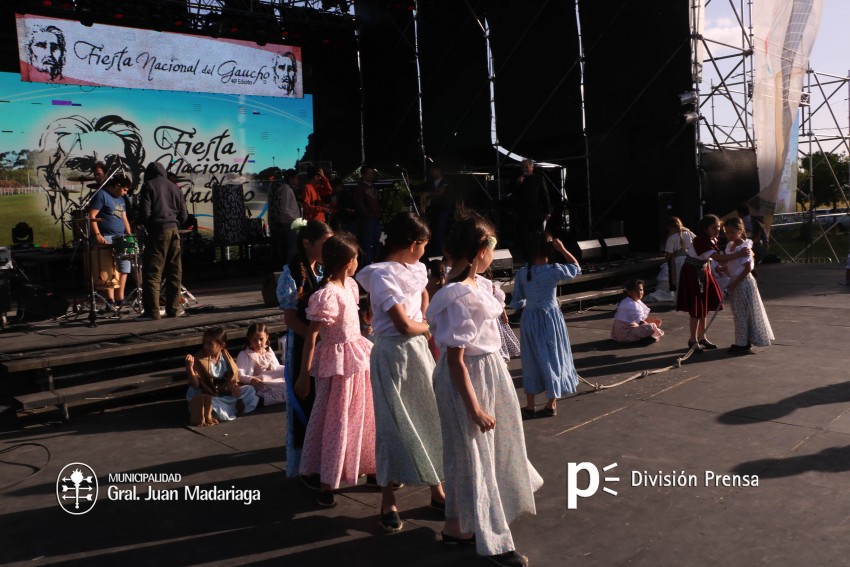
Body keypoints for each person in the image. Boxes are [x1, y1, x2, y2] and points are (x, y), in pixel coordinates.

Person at [426, 212, 541, 567]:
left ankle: (457, 527)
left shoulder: (477, 288)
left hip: (485, 373)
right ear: (480, 251)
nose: (494, 253)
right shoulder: (460, 296)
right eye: (491, 246)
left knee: (474, 455)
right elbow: (456, 360)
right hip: (471, 379)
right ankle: (494, 541)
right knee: (477, 457)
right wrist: (474, 407)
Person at [355, 212, 445, 533]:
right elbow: (403, 325)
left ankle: (436, 489)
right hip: (393, 353)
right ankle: (388, 500)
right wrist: (430, 325)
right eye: (424, 245)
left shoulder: (414, 268)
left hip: (418, 351)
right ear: (412, 244)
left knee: (429, 416)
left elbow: (422, 296)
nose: (425, 251)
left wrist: (425, 317)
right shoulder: (381, 275)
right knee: (392, 425)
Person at [295, 233, 376, 508]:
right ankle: (327, 482)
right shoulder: (328, 294)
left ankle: (369, 466)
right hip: (337, 366)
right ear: (348, 262)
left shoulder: (349, 286)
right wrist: (304, 374)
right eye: (356, 258)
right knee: (336, 421)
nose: (357, 263)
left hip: (356, 362)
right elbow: (312, 336)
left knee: (363, 416)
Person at [275, 218, 333, 481]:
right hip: (302, 344)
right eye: (325, 243)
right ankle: (307, 464)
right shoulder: (292, 273)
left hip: (322, 344)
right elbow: (290, 318)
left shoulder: (324, 269)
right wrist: (315, 337)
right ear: (307, 243)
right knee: (305, 400)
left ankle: (324, 459)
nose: (329, 249)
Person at [509, 232, 580, 419]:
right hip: (550, 318)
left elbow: (517, 300)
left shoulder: (523, 273)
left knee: (531, 359)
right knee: (552, 357)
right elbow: (576, 268)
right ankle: (551, 403)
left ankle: (530, 405)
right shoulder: (553, 270)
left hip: (530, 318)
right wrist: (562, 249)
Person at [676, 214, 751, 351]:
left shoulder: (711, 240)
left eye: (718, 227)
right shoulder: (700, 241)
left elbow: (711, 260)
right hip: (693, 274)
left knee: (704, 306)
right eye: (714, 227)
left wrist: (717, 269)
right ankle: (693, 340)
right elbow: (719, 258)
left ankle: (702, 337)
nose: (717, 230)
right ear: (706, 229)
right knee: (696, 308)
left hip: (703, 271)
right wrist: (739, 254)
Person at [137, 162, 188, 320]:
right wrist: (174, 223)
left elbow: (144, 213)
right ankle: (173, 309)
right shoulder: (175, 187)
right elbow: (184, 215)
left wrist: (147, 225)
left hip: (158, 231)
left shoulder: (148, 186)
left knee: (153, 272)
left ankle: (152, 311)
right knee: (174, 272)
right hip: (174, 231)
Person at [184, 327, 259, 424]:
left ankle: (225, 409)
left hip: (222, 393)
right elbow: (196, 385)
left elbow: (233, 376)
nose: (206, 346)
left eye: (210, 344)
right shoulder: (199, 359)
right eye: (204, 343)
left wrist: (235, 386)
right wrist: (189, 368)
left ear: (221, 345)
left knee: (250, 390)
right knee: (209, 402)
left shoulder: (225, 356)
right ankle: (225, 408)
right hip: (206, 393)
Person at [723, 217, 774, 353]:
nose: (729, 235)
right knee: (737, 312)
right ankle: (743, 341)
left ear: (740, 231)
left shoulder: (744, 247)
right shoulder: (730, 245)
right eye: (726, 232)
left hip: (743, 282)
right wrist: (723, 269)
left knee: (742, 313)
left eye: (732, 232)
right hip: (736, 281)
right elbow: (733, 264)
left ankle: (742, 343)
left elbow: (747, 268)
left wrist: (735, 282)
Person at [87, 174, 133, 306]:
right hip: (106, 236)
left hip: (121, 237)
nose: (125, 193)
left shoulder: (121, 199)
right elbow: (92, 215)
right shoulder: (101, 195)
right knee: (109, 269)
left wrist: (129, 235)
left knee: (125, 267)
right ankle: (110, 300)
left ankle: (120, 297)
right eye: (124, 190)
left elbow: (124, 218)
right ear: (117, 186)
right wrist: (97, 234)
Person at [236, 322, 286, 406]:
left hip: (272, 380)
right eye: (255, 340)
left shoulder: (269, 351)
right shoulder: (244, 354)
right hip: (259, 384)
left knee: (287, 378)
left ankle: (261, 399)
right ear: (250, 340)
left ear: (267, 337)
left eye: (261, 339)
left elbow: (276, 368)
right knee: (278, 385)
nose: (258, 343)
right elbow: (239, 374)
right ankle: (259, 399)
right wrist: (251, 379)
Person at [611, 279, 665, 343]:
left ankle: (650, 336)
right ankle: (649, 337)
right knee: (650, 327)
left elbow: (637, 319)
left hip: (620, 333)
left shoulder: (630, 301)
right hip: (625, 333)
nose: (640, 292)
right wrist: (652, 326)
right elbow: (641, 322)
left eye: (641, 290)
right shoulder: (630, 304)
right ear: (629, 292)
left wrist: (652, 321)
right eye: (636, 290)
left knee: (654, 326)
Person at [515, 159, 550, 255]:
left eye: (526, 167)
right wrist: (518, 184)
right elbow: (514, 195)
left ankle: (539, 254)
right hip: (523, 213)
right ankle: (526, 255)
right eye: (523, 167)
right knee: (524, 235)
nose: (524, 169)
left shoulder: (539, 179)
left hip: (536, 213)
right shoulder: (519, 179)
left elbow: (545, 195)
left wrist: (548, 211)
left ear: (532, 168)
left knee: (537, 234)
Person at [268, 168, 301, 265]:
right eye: (296, 178)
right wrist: (296, 220)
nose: (297, 180)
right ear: (291, 178)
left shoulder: (284, 188)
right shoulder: (286, 189)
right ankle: (290, 266)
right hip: (290, 222)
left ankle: (289, 266)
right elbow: (285, 209)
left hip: (289, 221)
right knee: (293, 246)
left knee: (291, 245)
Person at [422, 164, 451, 258]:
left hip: (443, 210)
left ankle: (439, 255)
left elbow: (441, 192)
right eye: (431, 171)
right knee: (431, 232)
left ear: (439, 170)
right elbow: (419, 188)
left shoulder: (445, 181)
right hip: (432, 211)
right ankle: (432, 253)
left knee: (440, 233)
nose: (432, 173)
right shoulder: (430, 182)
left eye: (433, 170)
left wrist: (428, 194)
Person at [355, 165, 382, 264]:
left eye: (372, 173)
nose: (371, 175)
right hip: (367, 219)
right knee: (367, 243)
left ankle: (378, 260)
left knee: (377, 241)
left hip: (375, 218)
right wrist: (367, 214)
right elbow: (360, 203)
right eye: (369, 173)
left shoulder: (373, 187)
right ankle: (367, 263)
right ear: (363, 175)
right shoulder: (360, 188)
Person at [663, 216, 695, 299]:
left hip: (678, 260)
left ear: (669, 227)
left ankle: (680, 300)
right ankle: (691, 298)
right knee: (689, 279)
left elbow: (669, 253)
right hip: (691, 258)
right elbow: (696, 242)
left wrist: (665, 261)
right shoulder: (688, 232)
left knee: (679, 279)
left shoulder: (671, 237)